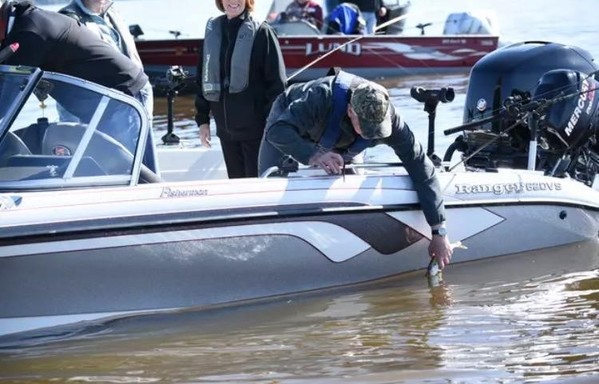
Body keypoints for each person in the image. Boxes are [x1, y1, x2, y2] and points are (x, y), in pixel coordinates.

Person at [257, 69, 453, 267]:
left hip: (344, 142)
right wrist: (314, 155)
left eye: (378, 129)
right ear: (351, 111)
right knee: (269, 183)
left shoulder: (390, 117)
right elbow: (277, 131)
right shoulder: (319, 97)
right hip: (289, 121)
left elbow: (421, 166)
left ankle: (338, 250)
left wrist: (439, 231)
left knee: (349, 189)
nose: (373, 134)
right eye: (367, 127)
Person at [0, 0, 157, 172]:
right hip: (100, 100)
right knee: (101, 171)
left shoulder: (29, 32)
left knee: (126, 173)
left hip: (123, 95)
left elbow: (9, 99)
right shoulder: (23, 23)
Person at [195, 0, 286, 179]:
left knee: (255, 186)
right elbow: (203, 79)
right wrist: (203, 120)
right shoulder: (213, 31)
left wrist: (272, 123)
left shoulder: (262, 32)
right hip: (225, 131)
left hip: (256, 131)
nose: (232, 1)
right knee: (236, 184)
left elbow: (277, 85)